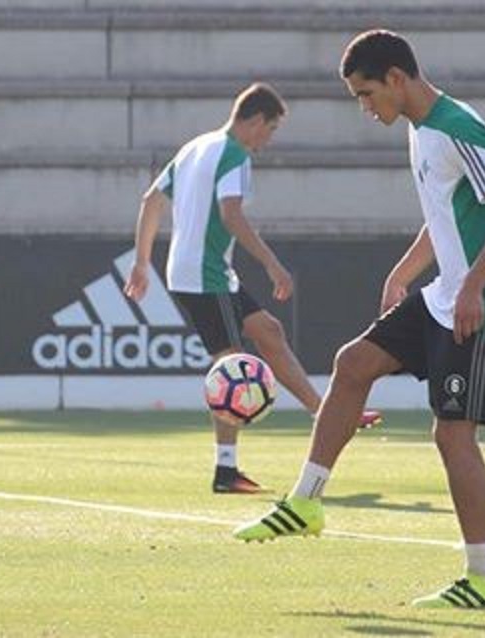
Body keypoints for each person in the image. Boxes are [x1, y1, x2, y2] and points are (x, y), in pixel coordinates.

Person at [233, 32, 485, 610]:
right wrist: (406, 270)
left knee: (452, 435)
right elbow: (446, 213)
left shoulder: (455, 125)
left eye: (367, 93)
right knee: (353, 364)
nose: (366, 107)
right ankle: (306, 501)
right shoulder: (421, 130)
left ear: (397, 77)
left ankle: (484, 576)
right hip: (448, 292)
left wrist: (473, 285)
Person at [124, 82, 382, 495]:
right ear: (256, 120)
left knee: (269, 333)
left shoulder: (195, 147)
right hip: (205, 275)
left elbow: (150, 200)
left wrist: (141, 260)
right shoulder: (235, 155)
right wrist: (272, 263)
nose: (268, 140)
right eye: (271, 129)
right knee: (231, 368)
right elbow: (231, 216)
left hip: (197, 272)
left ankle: (324, 412)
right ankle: (226, 471)